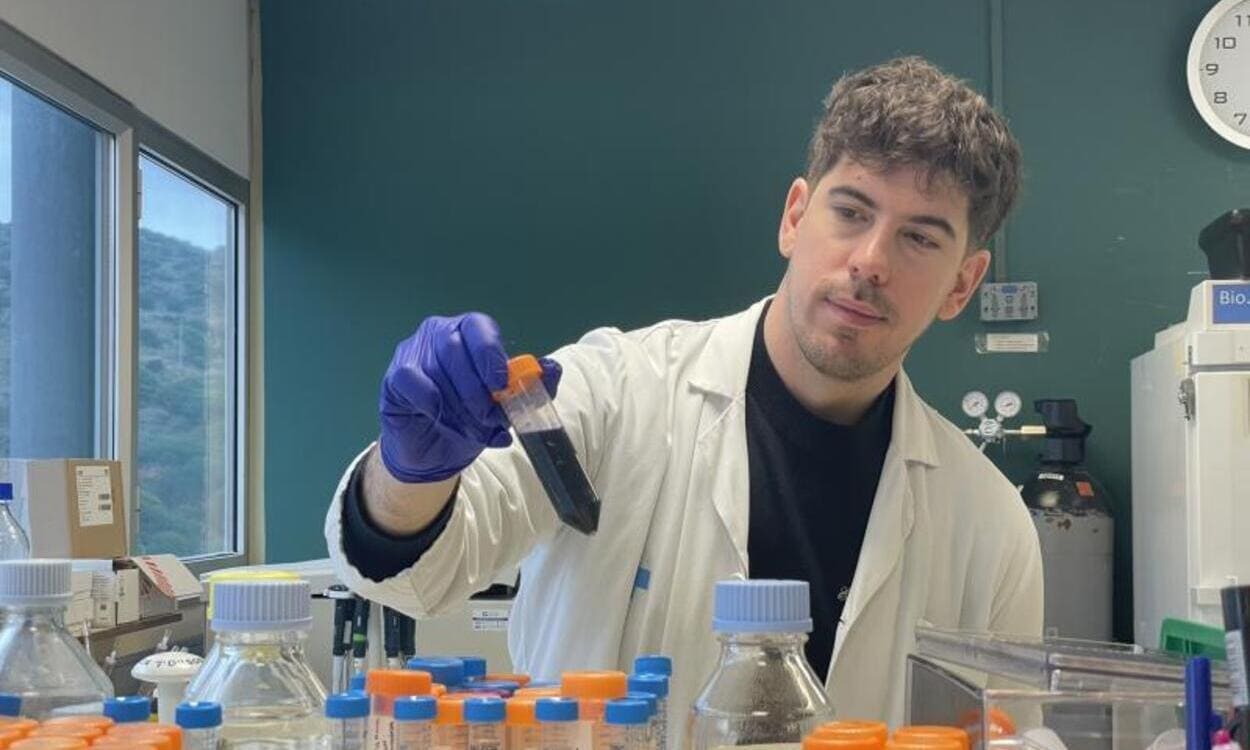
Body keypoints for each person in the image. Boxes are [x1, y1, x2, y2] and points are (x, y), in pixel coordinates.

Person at [325, 56, 1042, 732]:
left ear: (961, 283)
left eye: (919, 238)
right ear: (795, 217)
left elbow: (1008, 734)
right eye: (851, 212)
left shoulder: (988, 523)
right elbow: (427, 569)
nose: (870, 262)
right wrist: (411, 474)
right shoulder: (617, 390)